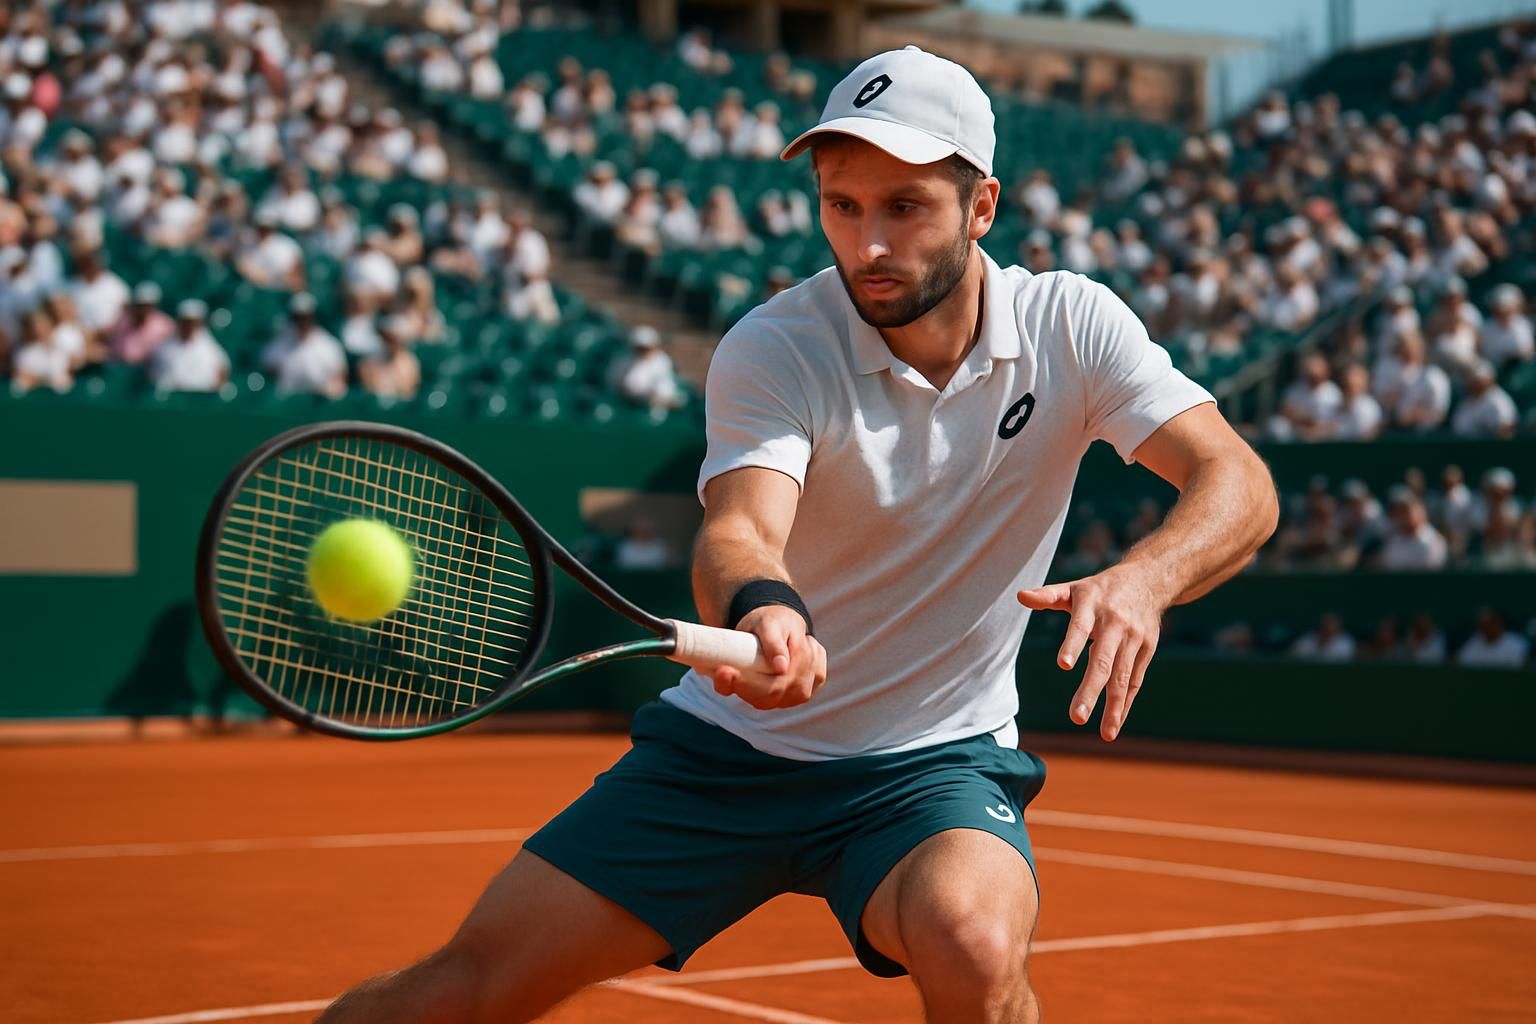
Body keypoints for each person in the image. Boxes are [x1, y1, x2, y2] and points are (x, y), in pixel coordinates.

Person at [316, 46, 1278, 1024]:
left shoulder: (1073, 326)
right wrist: (764, 611)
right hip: (725, 754)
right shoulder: (777, 345)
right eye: (841, 204)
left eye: (905, 206)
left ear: (981, 207)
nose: (868, 243)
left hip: (932, 766)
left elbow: (1237, 481)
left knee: (976, 944)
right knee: (464, 993)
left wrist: (1147, 576)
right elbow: (740, 530)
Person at [148, 299, 230, 393]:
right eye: (186, 322)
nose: (189, 326)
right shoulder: (164, 348)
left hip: (202, 397)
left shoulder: (211, 348)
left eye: (194, 322)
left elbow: (222, 373)